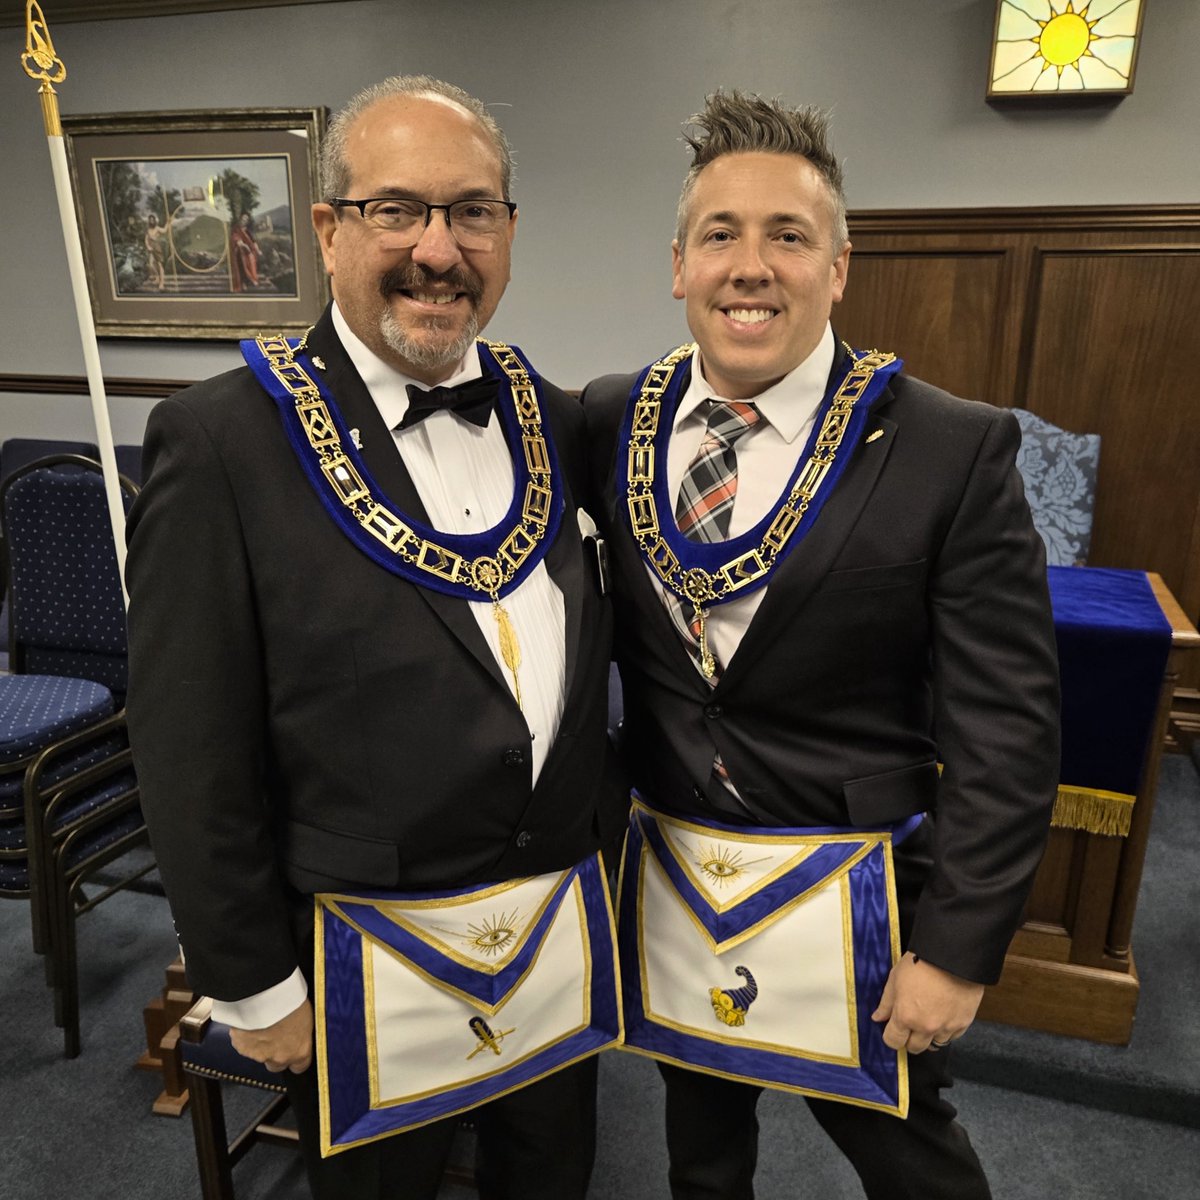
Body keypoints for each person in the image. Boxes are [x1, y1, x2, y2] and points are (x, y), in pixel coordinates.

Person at [126, 75, 624, 1200]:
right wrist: (255, 984)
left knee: (553, 1182)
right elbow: (189, 745)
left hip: (555, 930)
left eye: (473, 212)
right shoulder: (221, 442)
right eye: (397, 209)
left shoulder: (555, 416)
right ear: (326, 228)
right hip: (357, 956)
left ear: (508, 231)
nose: (438, 250)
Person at [583, 91, 1060, 1200]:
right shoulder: (610, 418)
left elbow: (1008, 729)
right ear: (679, 266)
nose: (750, 266)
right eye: (721, 235)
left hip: (862, 898)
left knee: (915, 1168)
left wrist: (957, 950)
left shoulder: (950, 447)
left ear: (838, 269)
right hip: (679, 887)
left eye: (788, 237)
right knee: (702, 1161)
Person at [229, 209, 260, 291]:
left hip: (248, 252)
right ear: (240, 219)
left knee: (251, 258)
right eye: (243, 219)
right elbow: (237, 240)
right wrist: (245, 246)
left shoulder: (248, 230)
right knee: (242, 259)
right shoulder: (236, 229)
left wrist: (258, 250)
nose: (244, 221)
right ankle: (243, 283)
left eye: (246, 220)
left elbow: (253, 241)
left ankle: (252, 279)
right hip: (240, 252)